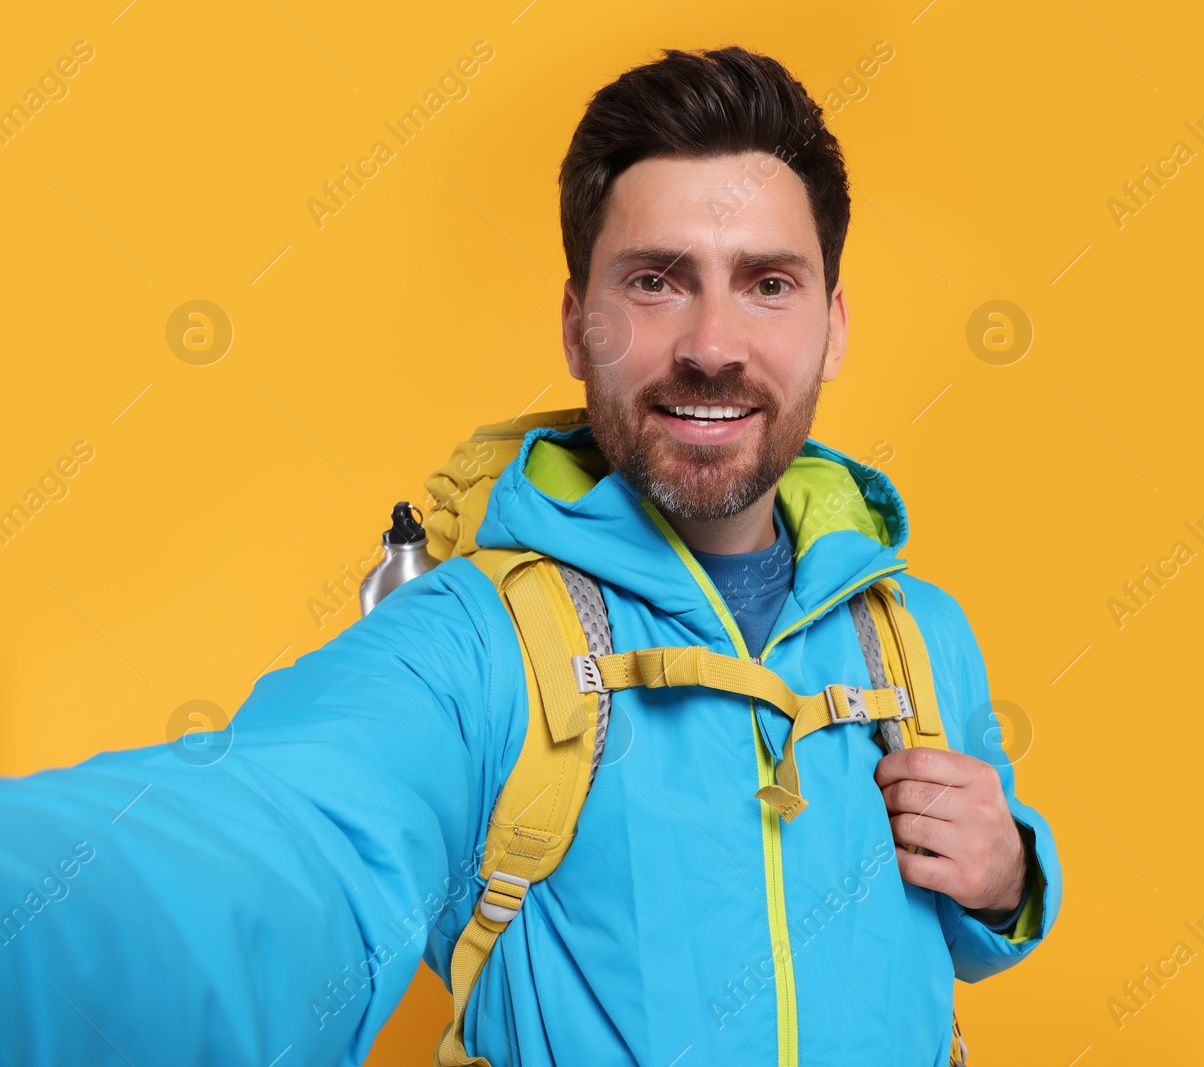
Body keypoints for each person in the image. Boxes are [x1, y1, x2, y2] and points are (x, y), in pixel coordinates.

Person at [0, 45, 1061, 1065]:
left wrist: (1009, 872)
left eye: (767, 283)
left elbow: (953, 931)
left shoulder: (918, 637)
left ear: (832, 326)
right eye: (655, 280)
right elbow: (277, 839)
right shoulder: (471, 642)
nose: (712, 342)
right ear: (576, 323)